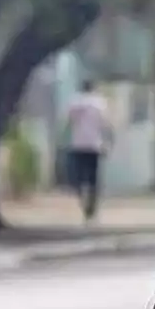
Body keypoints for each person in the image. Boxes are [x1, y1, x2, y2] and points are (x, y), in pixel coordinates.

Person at [60, 83, 114, 223]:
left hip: (78, 144)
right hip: (94, 145)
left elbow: (68, 123)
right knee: (93, 179)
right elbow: (106, 124)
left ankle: (83, 202)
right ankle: (91, 209)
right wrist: (109, 141)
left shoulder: (74, 102)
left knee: (78, 178)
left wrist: (63, 140)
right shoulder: (99, 103)